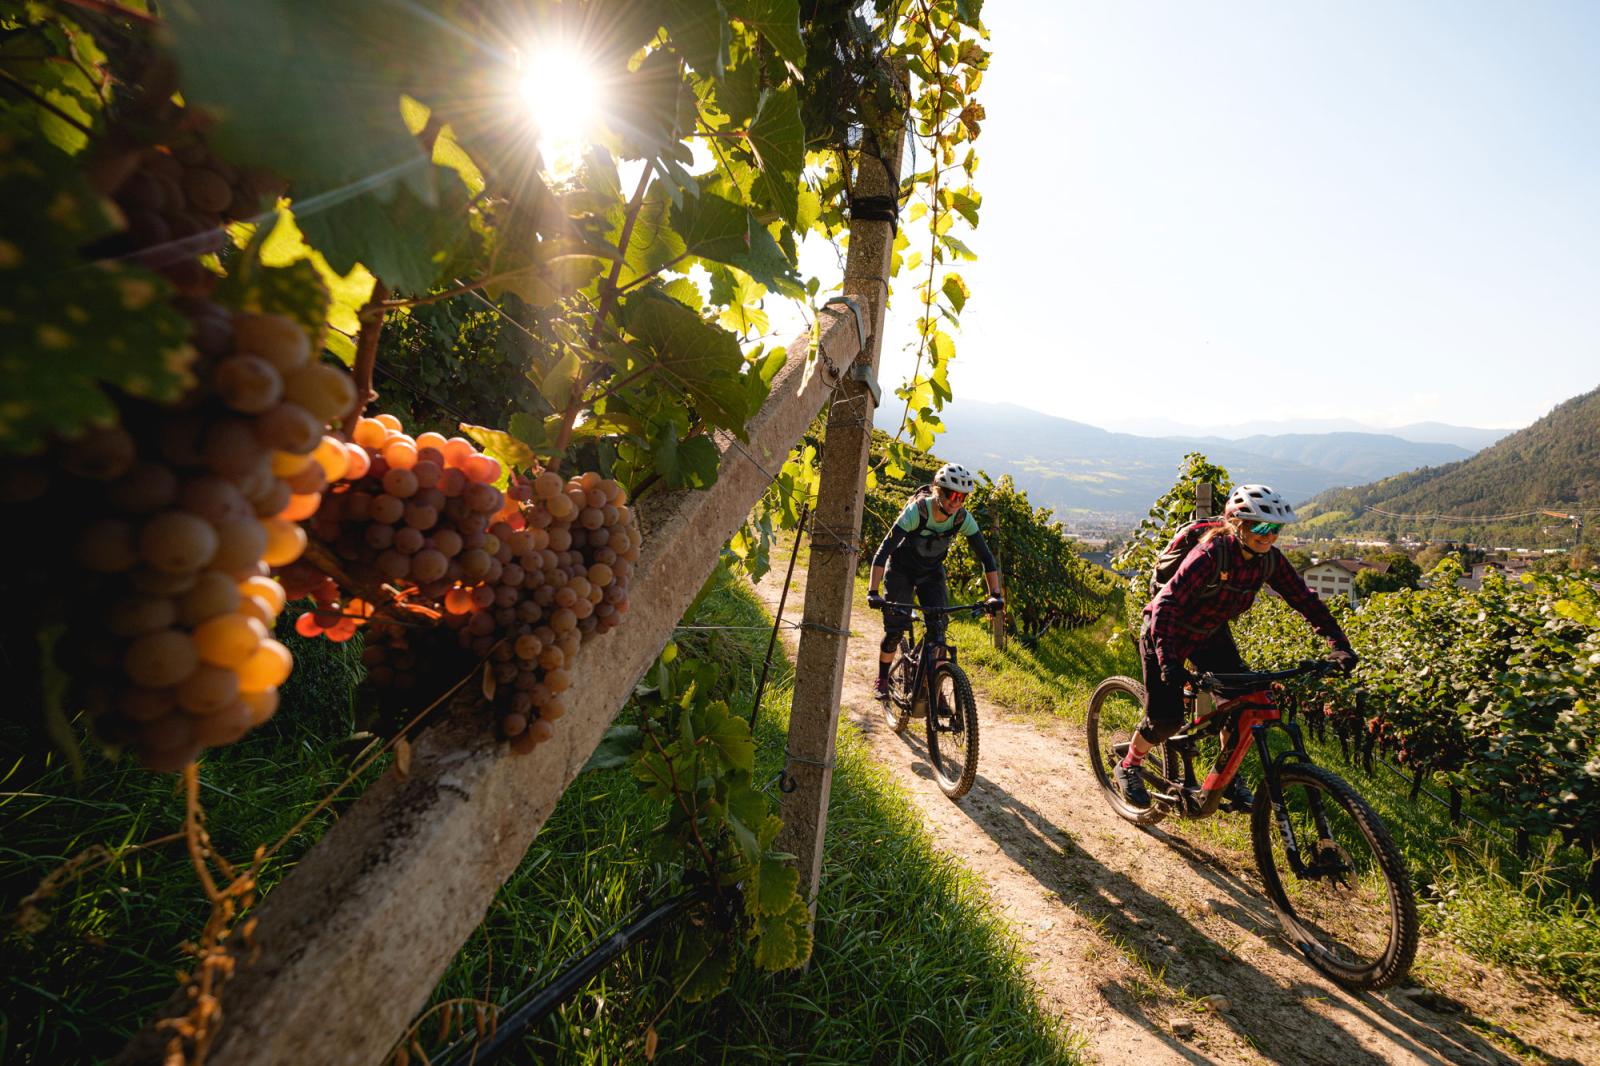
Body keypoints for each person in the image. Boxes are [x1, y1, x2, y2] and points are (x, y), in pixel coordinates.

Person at [1116, 484, 1358, 809]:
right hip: (1167, 630)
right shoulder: (1210, 554)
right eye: (1259, 526)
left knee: (1244, 702)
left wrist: (1339, 644)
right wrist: (1168, 661)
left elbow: (1305, 600)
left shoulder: (1269, 561)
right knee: (1166, 719)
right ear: (1237, 523)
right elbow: (1166, 604)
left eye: (1275, 528)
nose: (1268, 535)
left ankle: (1226, 777)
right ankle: (1129, 764)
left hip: (1208, 632)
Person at [866, 463, 1004, 699]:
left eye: (961, 497)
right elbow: (884, 551)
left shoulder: (962, 518)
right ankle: (882, 677)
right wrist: (873, 591)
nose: (955, 501)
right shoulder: (917, 512)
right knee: (895, 629)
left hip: (931, 572)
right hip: (901, 570)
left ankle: (934, 688)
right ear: (937, 491)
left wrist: (995, 594)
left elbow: (987, 558)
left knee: (938, 632)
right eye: (951, 494)